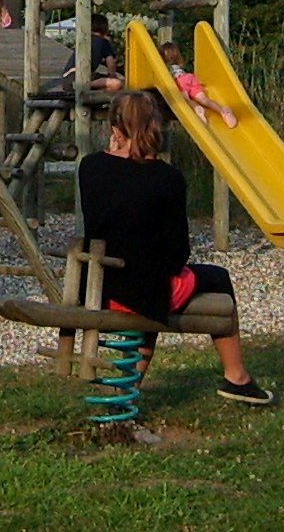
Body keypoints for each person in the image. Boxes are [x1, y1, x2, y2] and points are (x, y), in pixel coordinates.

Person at [77, 92, 273, 405]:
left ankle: (126, 395)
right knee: (214, 278)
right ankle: (237, 376)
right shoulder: (168, 178)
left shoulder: (89, 168)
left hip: (98, 286)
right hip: (140, 293)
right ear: (155, 127)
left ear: (116, 130)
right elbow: (177, 253)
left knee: (148, 282)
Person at [159, 42, 237, 128]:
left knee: (187, 100)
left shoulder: (165, 67)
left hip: (179, 81)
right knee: (204, 99)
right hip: (189, 77)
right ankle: (223, 111)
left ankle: (197, 109)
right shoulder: (178, 66)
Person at [56, 12, 125, 93]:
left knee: (107, 84)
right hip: (80, 77)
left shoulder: (84, 39)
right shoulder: (103, 42)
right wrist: (112, 75)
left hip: (67, 80)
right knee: (117, 84)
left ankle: (83, 87)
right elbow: (111, 63)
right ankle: (83, 86)